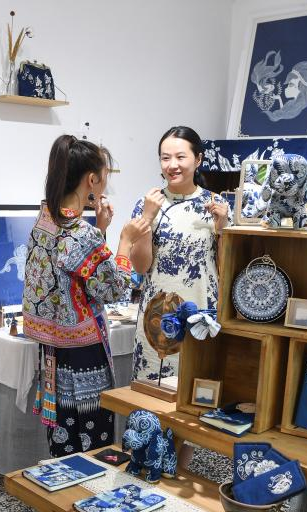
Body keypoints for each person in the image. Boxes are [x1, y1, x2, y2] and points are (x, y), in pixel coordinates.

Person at [23, 134, 151, 457]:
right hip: (83, 352)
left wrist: (100, 229)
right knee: (92, 437)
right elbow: (114, 288)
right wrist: (124, 241)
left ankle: (61, 483)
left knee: (63, 431)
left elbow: (81, 273)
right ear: (92, 180)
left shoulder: (45, 219)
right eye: (104, 175)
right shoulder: (82, 233)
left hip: (53, 349)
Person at [127, 126, 228, 468]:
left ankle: (177, 470)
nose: (172, 164)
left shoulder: (215, 205)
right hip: (156, 318)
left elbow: (226, 268)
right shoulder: (149, 203)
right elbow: (140, 266)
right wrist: (147, 218)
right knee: (151, 399)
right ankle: (144, 466)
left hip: (199, 317)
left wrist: (223, 229)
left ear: (198, 159)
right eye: (165, 157)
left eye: (180, 156)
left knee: (188, 404)